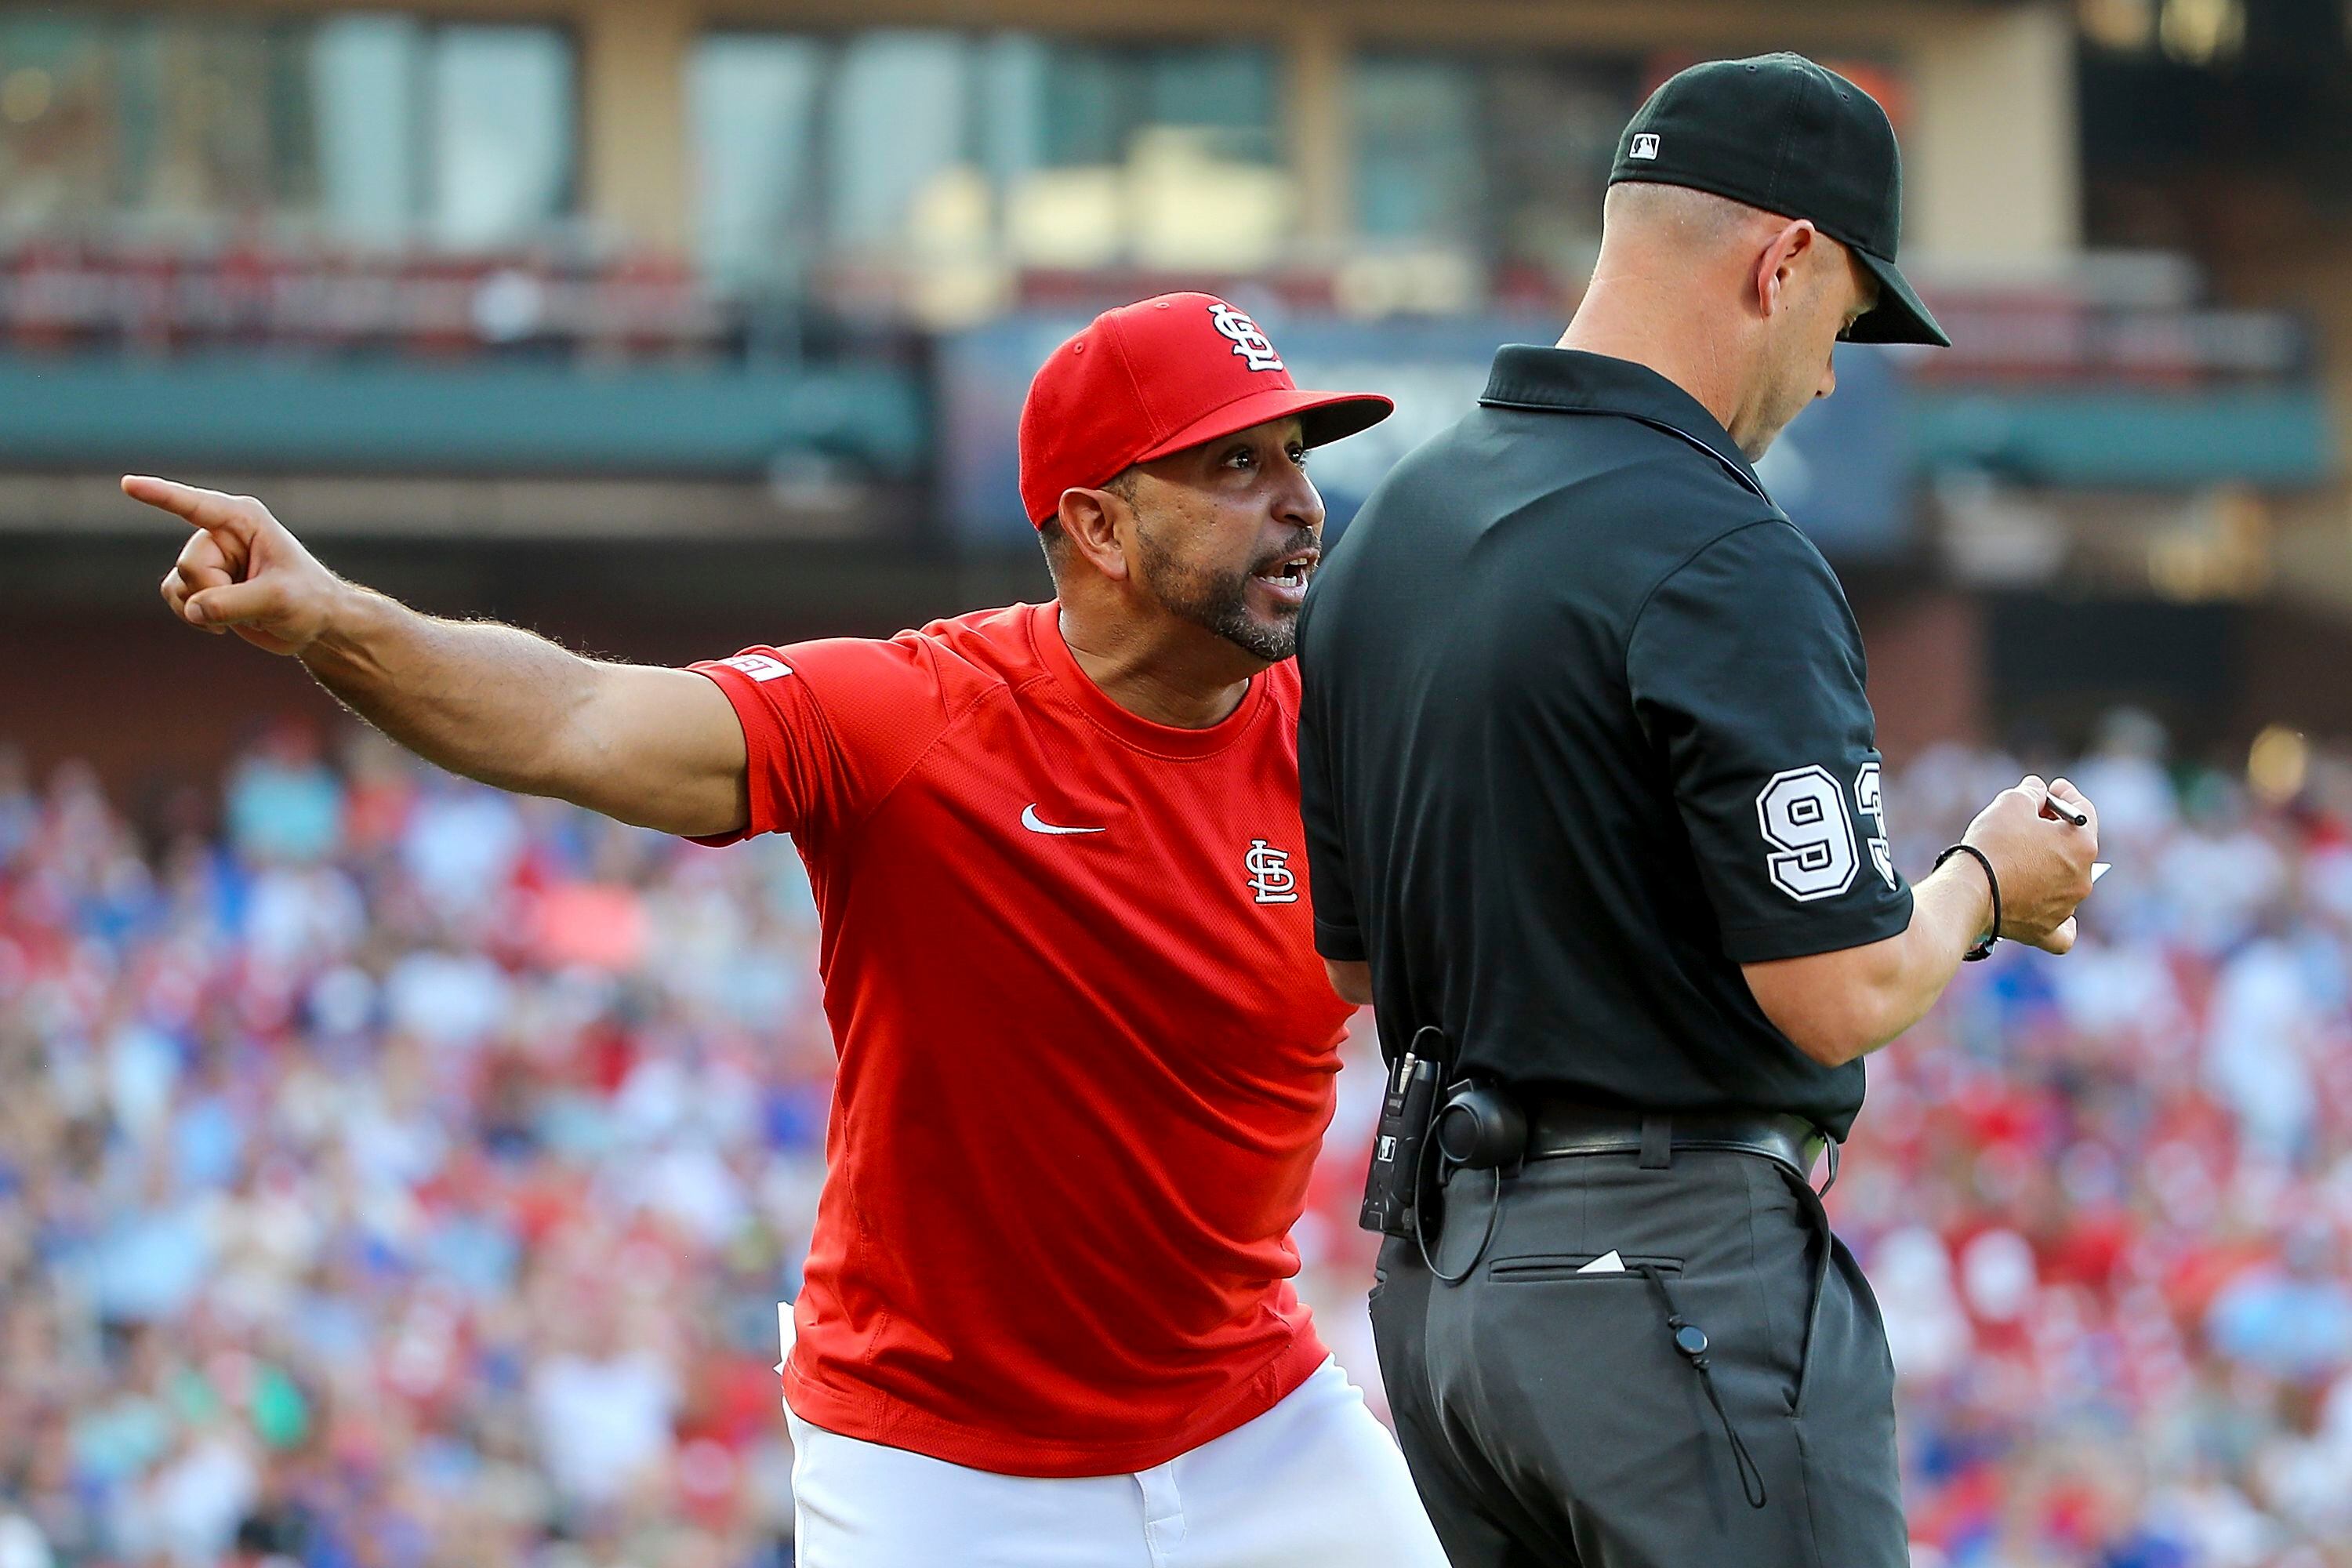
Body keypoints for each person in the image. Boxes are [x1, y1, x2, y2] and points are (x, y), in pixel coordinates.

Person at [130, 292, 1451, 1568]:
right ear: (1101, 527)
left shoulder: (1350, 737)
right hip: (941, 1466)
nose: (1300, 501)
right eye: (1235, 465)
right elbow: (575, 717)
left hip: (1255, 1420)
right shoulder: (917, 719)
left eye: (1293, 456)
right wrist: (338, 622)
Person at [1293, 56, 2100, 1568]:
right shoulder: (1723, 548)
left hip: (1447, 1301)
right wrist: (1987, 882)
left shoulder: (1400, 520)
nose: (1831, 373)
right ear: (1784, 259)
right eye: (1847, 320)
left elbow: (1351, 960)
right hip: (1668, 1282)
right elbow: (1840, 987)